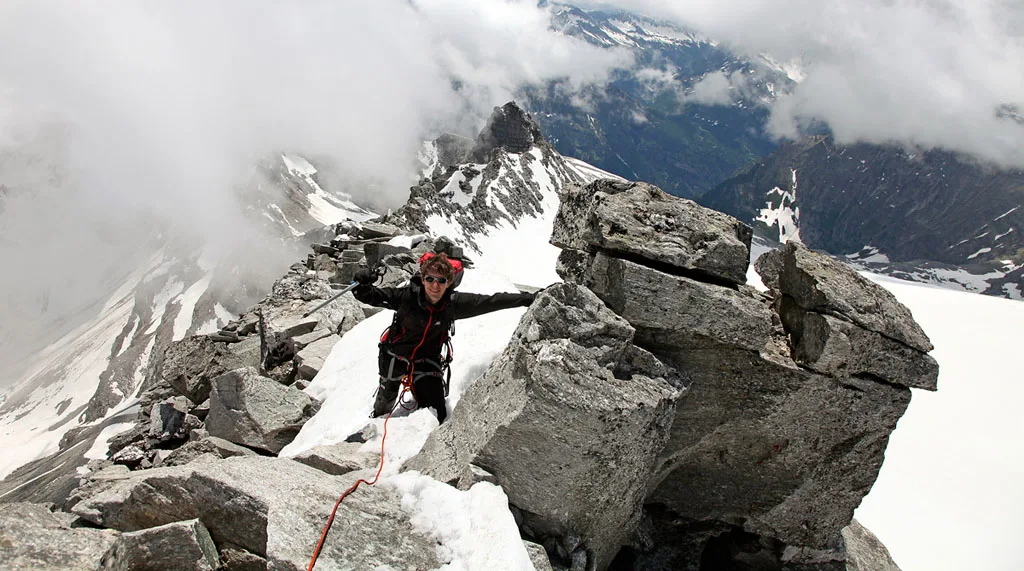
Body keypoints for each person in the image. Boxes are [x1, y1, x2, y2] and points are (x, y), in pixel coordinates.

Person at [352, 251, 535, 423]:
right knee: (386, 398)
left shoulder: (453, 304)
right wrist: (361, 283)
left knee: (437, 412)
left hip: (426, 360)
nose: (435, 285)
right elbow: (371, 296)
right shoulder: (406, 297)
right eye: (430, 279)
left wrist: (528, 298)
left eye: (441, 280)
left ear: (449, 283)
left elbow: (492, 301)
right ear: (422, 279)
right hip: (395, 355)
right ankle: (377, 422)